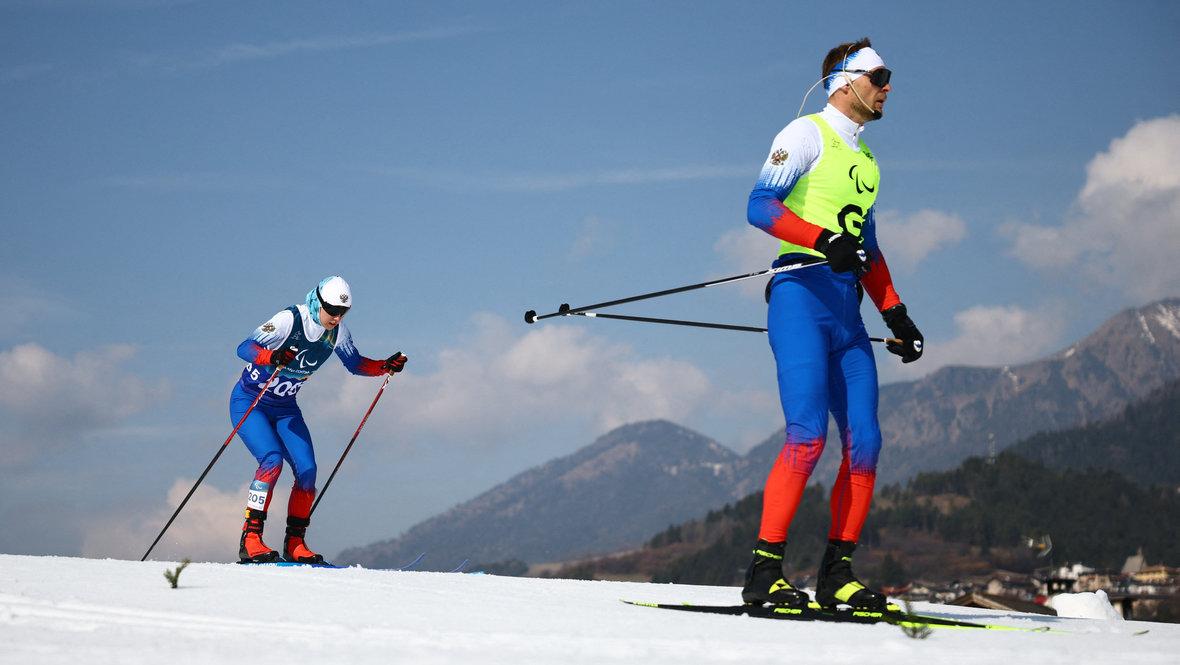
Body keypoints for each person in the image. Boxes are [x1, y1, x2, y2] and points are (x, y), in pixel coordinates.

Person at [740, 38, 924, 610]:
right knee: (807, 435)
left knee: (865, 442)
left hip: (848, 309)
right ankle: (764, 573)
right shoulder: (804, 134)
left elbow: (867, 244)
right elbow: (760, 206)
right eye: (880, 76)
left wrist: (895, 311)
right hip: (800, 294)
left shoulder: (866, 161)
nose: (888, 86)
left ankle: (836, 574)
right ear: (845, 82)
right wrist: (823, 240)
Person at [232, 275, 407, 564]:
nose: (336, 318)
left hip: (285, 408)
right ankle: (251, 539)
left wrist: (384, 366)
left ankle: (295, 544)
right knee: (271, 461)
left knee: (308, 470)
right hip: (251, 402)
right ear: (317, 301)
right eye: (332, 310)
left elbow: (355, 364)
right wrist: (272, 356)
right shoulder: (290, 319)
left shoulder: (338, 333)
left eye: (343, 312)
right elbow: (245, 347)